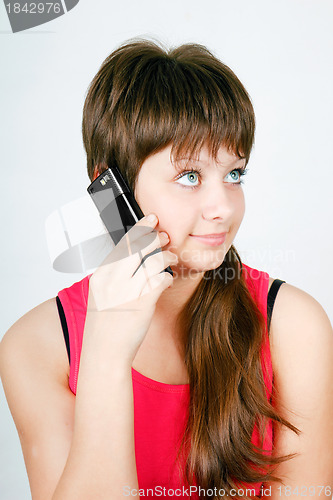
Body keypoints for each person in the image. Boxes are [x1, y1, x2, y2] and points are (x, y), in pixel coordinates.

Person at [0, 39, 332, 500]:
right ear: (111, 191)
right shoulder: (36, 347)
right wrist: (106, 353)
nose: (222, 208)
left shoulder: (293, 325)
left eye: (235, 173)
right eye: (190, 177)